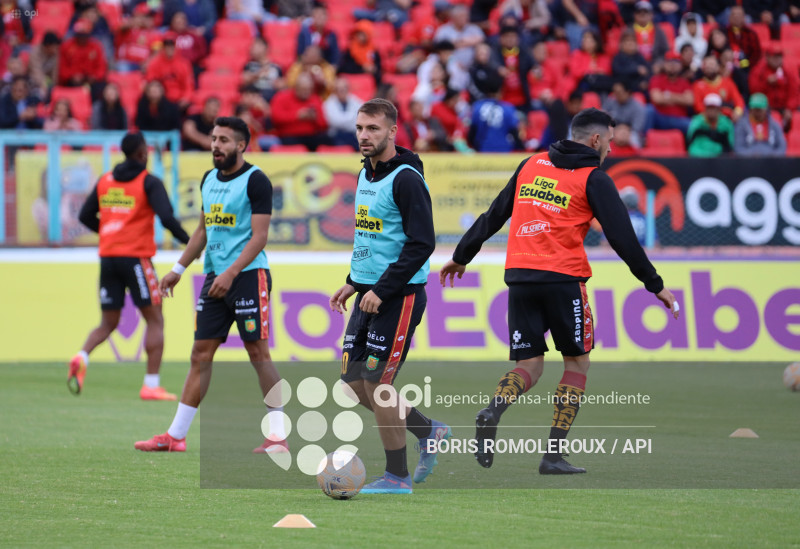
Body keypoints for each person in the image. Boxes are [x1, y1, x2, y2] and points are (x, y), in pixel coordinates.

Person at [440, 108, 679, 475]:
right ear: (596, 140)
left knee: (529, 365)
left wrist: (461, 256)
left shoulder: (531, 163)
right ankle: (552, 455)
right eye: (611, 143)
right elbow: (622, 238)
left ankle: (494, 408)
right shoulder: (594, 178)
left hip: (519, 276)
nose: (611, 150)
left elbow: (495, 213)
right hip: (563, 279)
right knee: (577, 363)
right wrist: (655, 284)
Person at [135, 117, 285, 453]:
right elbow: (203, 230)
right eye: (214, 138)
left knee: (258, 353)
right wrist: (179, 267)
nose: (216, 145)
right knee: (199, 355)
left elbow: (260, 237)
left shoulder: (256, 180)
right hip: (215, 279)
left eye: (224, 140)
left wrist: (231, 272)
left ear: (241, 146)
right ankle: (175, 436)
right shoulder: (208, 179)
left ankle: (278, 437)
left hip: (247, 276)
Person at [329, 98, 450, 493]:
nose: (364, 136)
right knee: (352, 381)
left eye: (373, 129)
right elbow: (371, 236)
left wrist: (381, 289)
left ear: (393, 131)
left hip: (398, 296)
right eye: (360, 128)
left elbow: (421, 244)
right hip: (369, 293)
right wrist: (353, 280)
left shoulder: (407, 179)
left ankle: (396, 477)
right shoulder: (365, 172)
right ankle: (427, 429)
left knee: (378, 384)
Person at [72, 132, 191, 399]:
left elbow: (84, 215)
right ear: (142, 153)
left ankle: (82, 356)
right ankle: (151, 384)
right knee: (155, 318)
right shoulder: (149, 182)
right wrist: (191, 242)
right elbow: (167, 219)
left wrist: (109, 232)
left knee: (108, 322)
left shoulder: (106, 180)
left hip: (108, 258)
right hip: (136, 258)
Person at [733, 93, 786, 157]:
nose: (757, 112)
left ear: (766, 109)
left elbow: (782, 147)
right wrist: (752, 155)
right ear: (751, 109)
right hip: (749, 163)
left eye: (760, 109)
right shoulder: (741, 125)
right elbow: (738, 148)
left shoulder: (775, 125)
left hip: (771, 162)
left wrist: (772, 156)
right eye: (755, 109)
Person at [687, 93, 734, 157]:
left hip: (719, 158)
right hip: (698, 155)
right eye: (709, 107)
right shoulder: (697, 121)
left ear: (719, 109)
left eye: (714, 108)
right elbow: (689, 140)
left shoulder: (726, 123)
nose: (711, 111)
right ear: (705, 108)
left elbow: (730, 144)